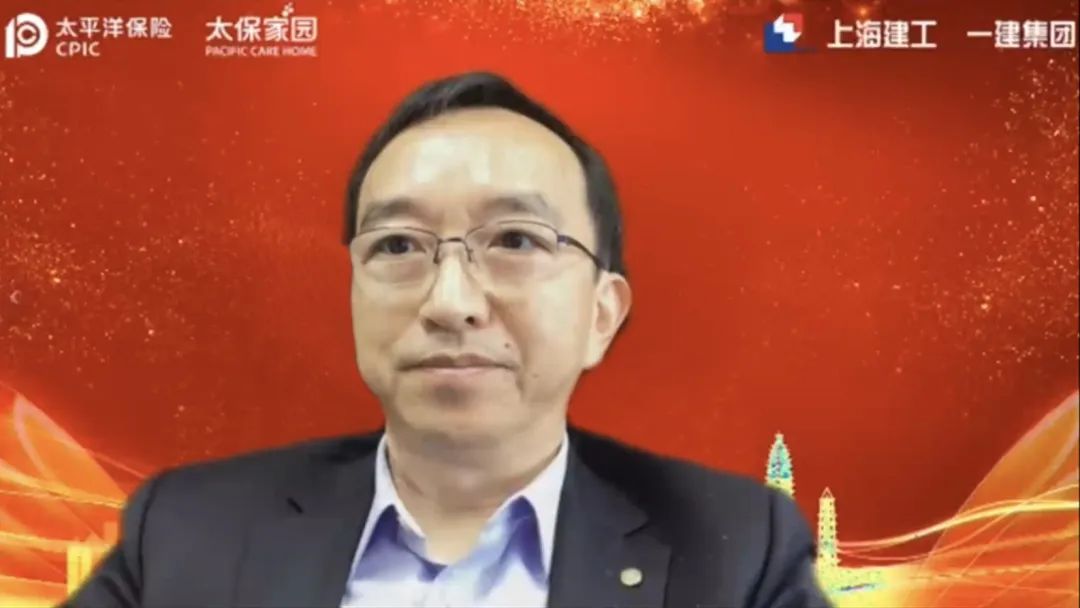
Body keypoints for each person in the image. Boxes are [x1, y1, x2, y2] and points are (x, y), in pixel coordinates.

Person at [66, 71, 832, 608]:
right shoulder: (188, 531)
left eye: (516, 240)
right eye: (398, 246)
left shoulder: (735, 551)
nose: (451, 302)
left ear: (601, 315)